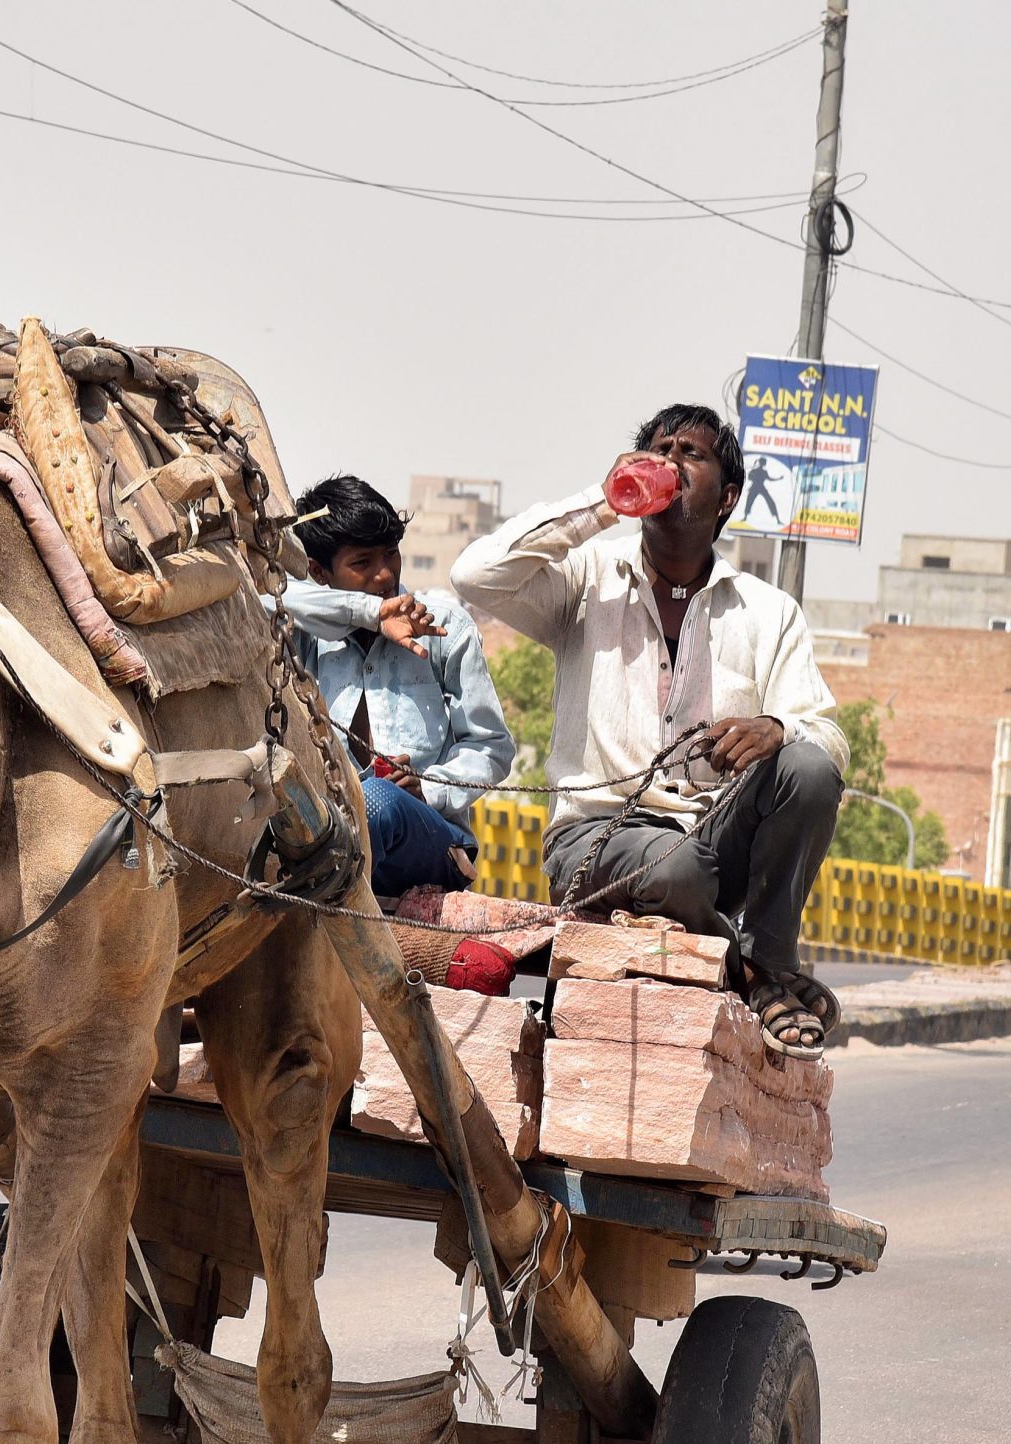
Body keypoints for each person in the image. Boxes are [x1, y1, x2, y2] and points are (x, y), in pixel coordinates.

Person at [451, 403, 849, 1055]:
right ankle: (758, 978)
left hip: (716, 839)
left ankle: (770, 959)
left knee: (806, 768)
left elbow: (829, 741)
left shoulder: (767, 611)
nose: (669, 462)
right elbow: (474, 575)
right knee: (679, 868)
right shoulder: (587, 584)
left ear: (727, 497)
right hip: (596, 838)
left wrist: (775, 729)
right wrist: (605, 503)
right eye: (658, 450)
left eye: (689, 454)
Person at [279, 474, 512, 898]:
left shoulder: (445, 626)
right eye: (362, 563)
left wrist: (428, 783)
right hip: (329, 836)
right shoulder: (305, 635)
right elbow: (265, 597)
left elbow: (491, 747)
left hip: (430, 842)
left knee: (378, 801)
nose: (385, 574)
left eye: (391, 554)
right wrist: (367, 613)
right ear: (318, 570)